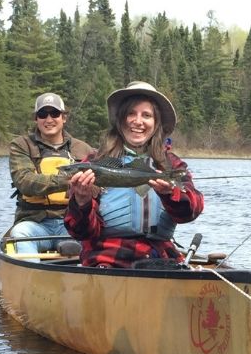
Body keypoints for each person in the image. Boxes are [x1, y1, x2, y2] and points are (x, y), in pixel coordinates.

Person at [65, 81, 204, 267]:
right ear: (120, 120)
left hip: (160, 256)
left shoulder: (171, 164)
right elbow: (80, 232)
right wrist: (81, 202)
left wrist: (170, 194)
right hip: (108, 257)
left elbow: (191, 211)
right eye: (131, 113)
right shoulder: (93, 163)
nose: (137, 121)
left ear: (156, 123)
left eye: (146, 115)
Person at [9, 92, 93, 257]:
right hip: (34, 222)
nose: (48, 119)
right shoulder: (21, 145)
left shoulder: (84, 149)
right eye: (42, 114)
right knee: (20, 234)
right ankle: (30, 279)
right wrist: (69, 181)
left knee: (92, 238)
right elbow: (24, 181)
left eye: (54, 113)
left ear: (64, 117)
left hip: (71, 222)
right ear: (36, 119)